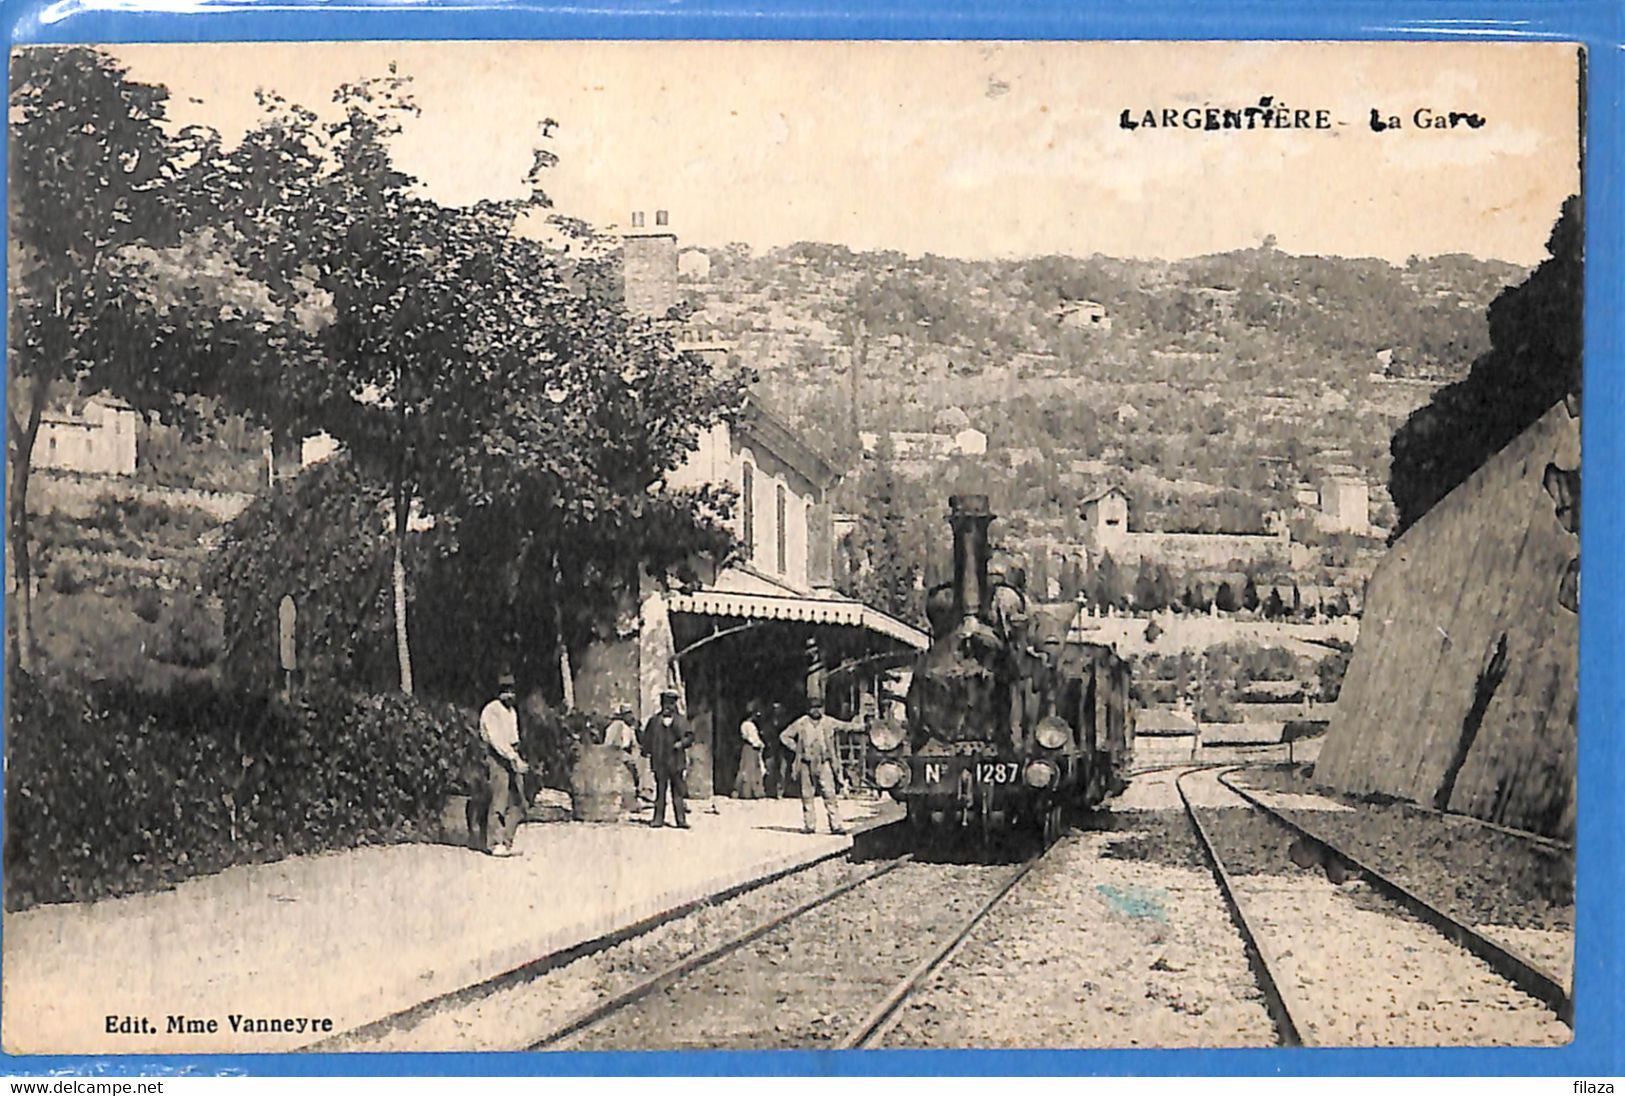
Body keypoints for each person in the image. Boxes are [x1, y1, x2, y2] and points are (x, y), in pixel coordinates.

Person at [779, 693, 864, 835]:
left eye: (819, 707)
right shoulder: (801, 723)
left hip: (824, 762)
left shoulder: (828, 722)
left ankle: (836, 825)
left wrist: (861, 726)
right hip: (807, 763)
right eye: (813, 708)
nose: (816, 710)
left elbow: (845, 726)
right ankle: (809, 825)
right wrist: (797, 749)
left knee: (829, 794)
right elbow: (784, 736)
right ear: (808, 709)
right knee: (807, 795)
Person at [476, 673, 530, 857]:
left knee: (520, 803)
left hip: (511, 755)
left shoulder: (511, 712)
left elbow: (514, 739)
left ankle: (507, 840)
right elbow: (496, 740)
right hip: (496, 757)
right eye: (505, 691)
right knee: (499, 799)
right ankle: (494, 842)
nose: (509, 695)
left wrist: (517, 757)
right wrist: (513, 757)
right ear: (498, 692)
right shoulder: (491, 711)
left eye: (512, 691)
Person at [640, 687, 694, 829]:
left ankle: (680, 820)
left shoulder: (681, 721)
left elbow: (689, 737)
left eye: (671, 703)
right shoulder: (654, 721)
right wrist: (646, 751)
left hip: (675, 762)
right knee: (660, 792)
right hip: (660, 762)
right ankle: (658, 819)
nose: (668, 707)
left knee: (677, 792)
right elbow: (647, 739)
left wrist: (681, 744)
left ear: (675, 704)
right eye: (665, 703)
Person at [602, 702, 642, 802]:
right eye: (628, 714)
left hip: (626, 753)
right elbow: (611, 744)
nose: (631, 716)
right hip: (617, 754)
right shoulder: (617, 726)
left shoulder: (629, 727)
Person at [734, 704, 767, 799]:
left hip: (752, 747)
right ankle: (747, 792)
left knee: (753, 769)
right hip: (751, 748)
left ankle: (752, 791)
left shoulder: (748, 725)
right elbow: (751, 738)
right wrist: (759, 744)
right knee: (748, 769)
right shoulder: (748, 725)